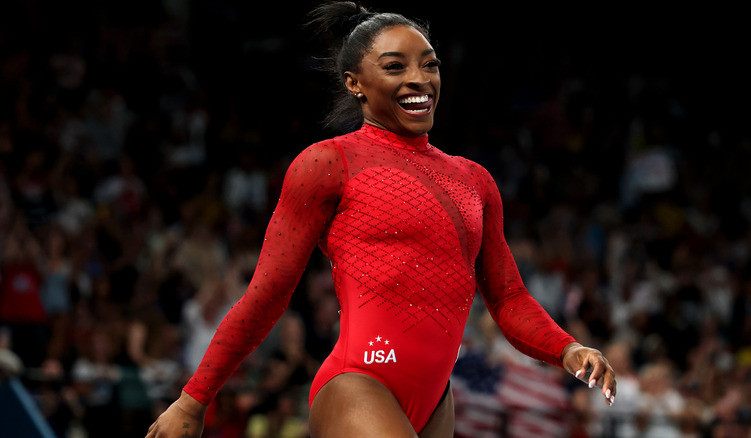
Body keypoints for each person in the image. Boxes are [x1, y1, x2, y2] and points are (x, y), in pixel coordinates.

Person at [146, 2, 617, 437]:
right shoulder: (327, 164)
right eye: (395, 67)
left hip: (435, 400)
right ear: (355, 83)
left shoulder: (476, 180)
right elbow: (267, 293)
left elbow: (508, 296)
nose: (420, 79)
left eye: (429, 64)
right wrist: (193, 400)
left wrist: (566, 348)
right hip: (359, 383)